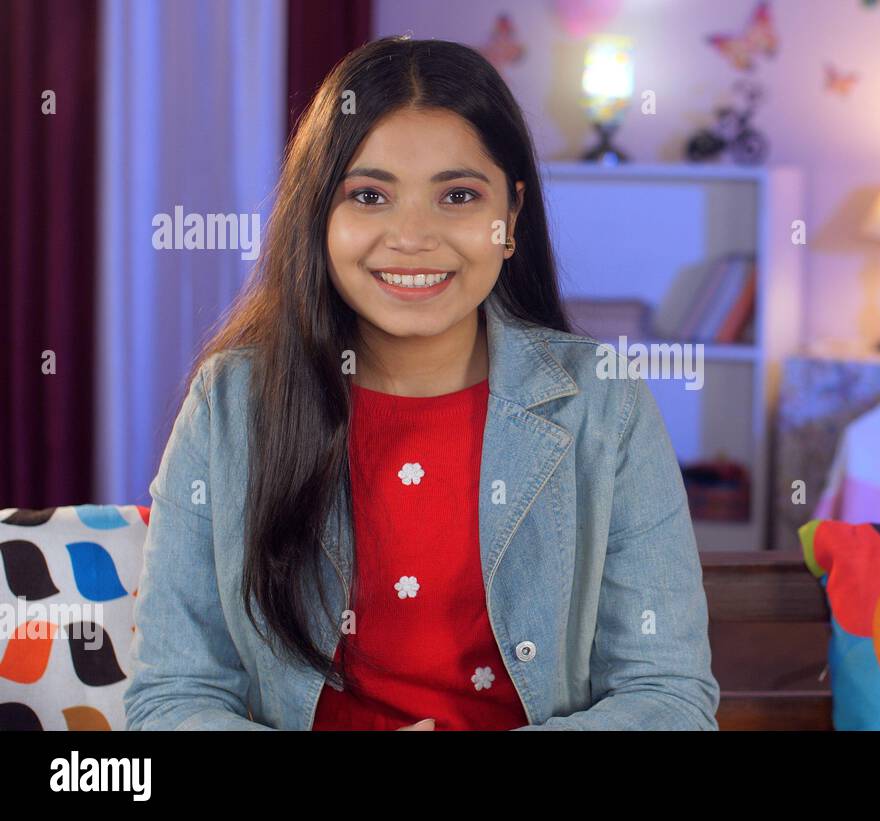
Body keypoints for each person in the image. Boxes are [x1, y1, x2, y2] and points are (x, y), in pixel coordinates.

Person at [123, 36, 719, 731]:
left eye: (458, 195)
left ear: (511, 218)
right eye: (369, 196)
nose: (412, 236)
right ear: (319, 217)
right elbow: (171, 700)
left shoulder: (605, 403)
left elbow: (668, 696)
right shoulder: (227, 405)